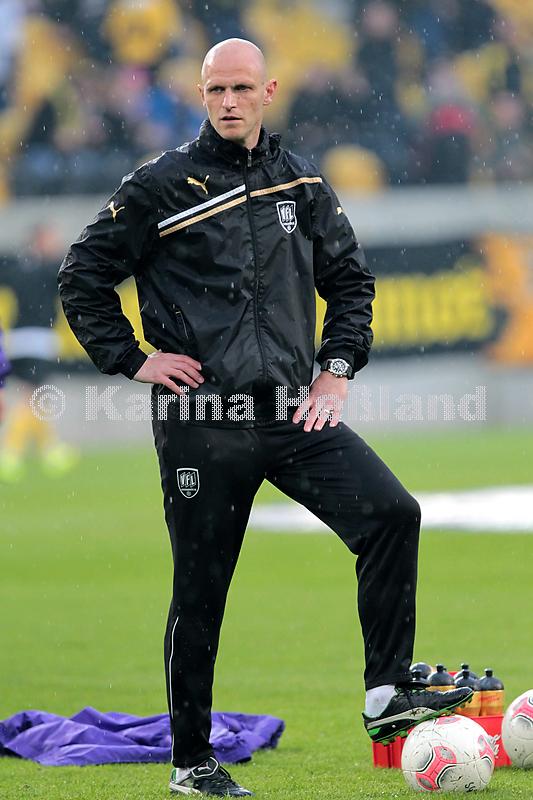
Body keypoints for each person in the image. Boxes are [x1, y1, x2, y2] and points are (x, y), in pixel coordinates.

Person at [58, 39, 473, 796]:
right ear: (201, 94)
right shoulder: (159, 186)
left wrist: (335, 370)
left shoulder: (301, 181)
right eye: (216, 89)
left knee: (391, 514)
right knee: (201, 591)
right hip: (202, 421)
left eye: (242, 88)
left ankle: (385, 692)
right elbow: (82, 274)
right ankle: (191, 764)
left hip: (288, 413)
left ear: (268, 91)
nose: (229, 101)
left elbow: (350, 280)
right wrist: (134, 359)